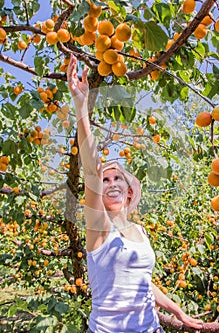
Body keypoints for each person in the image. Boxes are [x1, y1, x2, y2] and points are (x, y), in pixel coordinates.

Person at [67, 54, 203, 333]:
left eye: (118, 178)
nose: (112, 182)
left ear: (130, 193)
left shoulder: (139, 231)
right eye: (106, 180)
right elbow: (91, 171)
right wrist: (82, 108)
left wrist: (177, 311)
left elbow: (141, 280)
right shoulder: (99, 229)